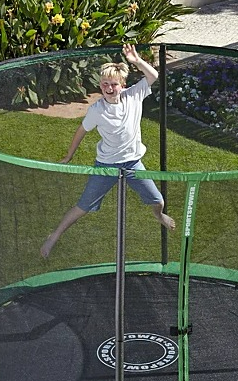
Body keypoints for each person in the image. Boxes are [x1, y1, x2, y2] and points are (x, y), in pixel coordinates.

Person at [41, 43, 175, 258]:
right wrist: (69, 155)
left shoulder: (134, 96)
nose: (109, 88)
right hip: (106, 166)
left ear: (123, 84)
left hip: (133, 164)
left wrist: (137, 61)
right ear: (100, 85)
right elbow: (81, 131)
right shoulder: (97, 110)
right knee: (83, 207)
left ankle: (159, 216)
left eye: (114, 84)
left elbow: (153, 75)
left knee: (158, 201)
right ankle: (53, 237)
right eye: (105, 84)